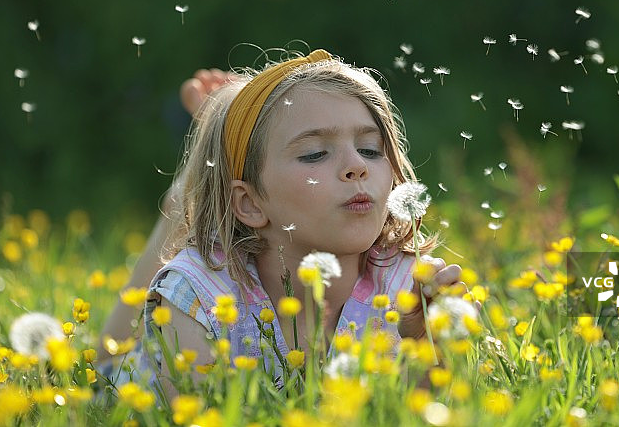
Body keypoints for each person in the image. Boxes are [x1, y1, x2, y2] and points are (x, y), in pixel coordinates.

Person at [100, 49, 465, 390]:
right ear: (251, 204)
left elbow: (427, 410)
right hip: (122, 384)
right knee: (106, 360)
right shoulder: (199, 296)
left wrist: (428, 345)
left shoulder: (407, 291)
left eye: (370, 149)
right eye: (315, 154)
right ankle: (184, 200)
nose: (357, 166)